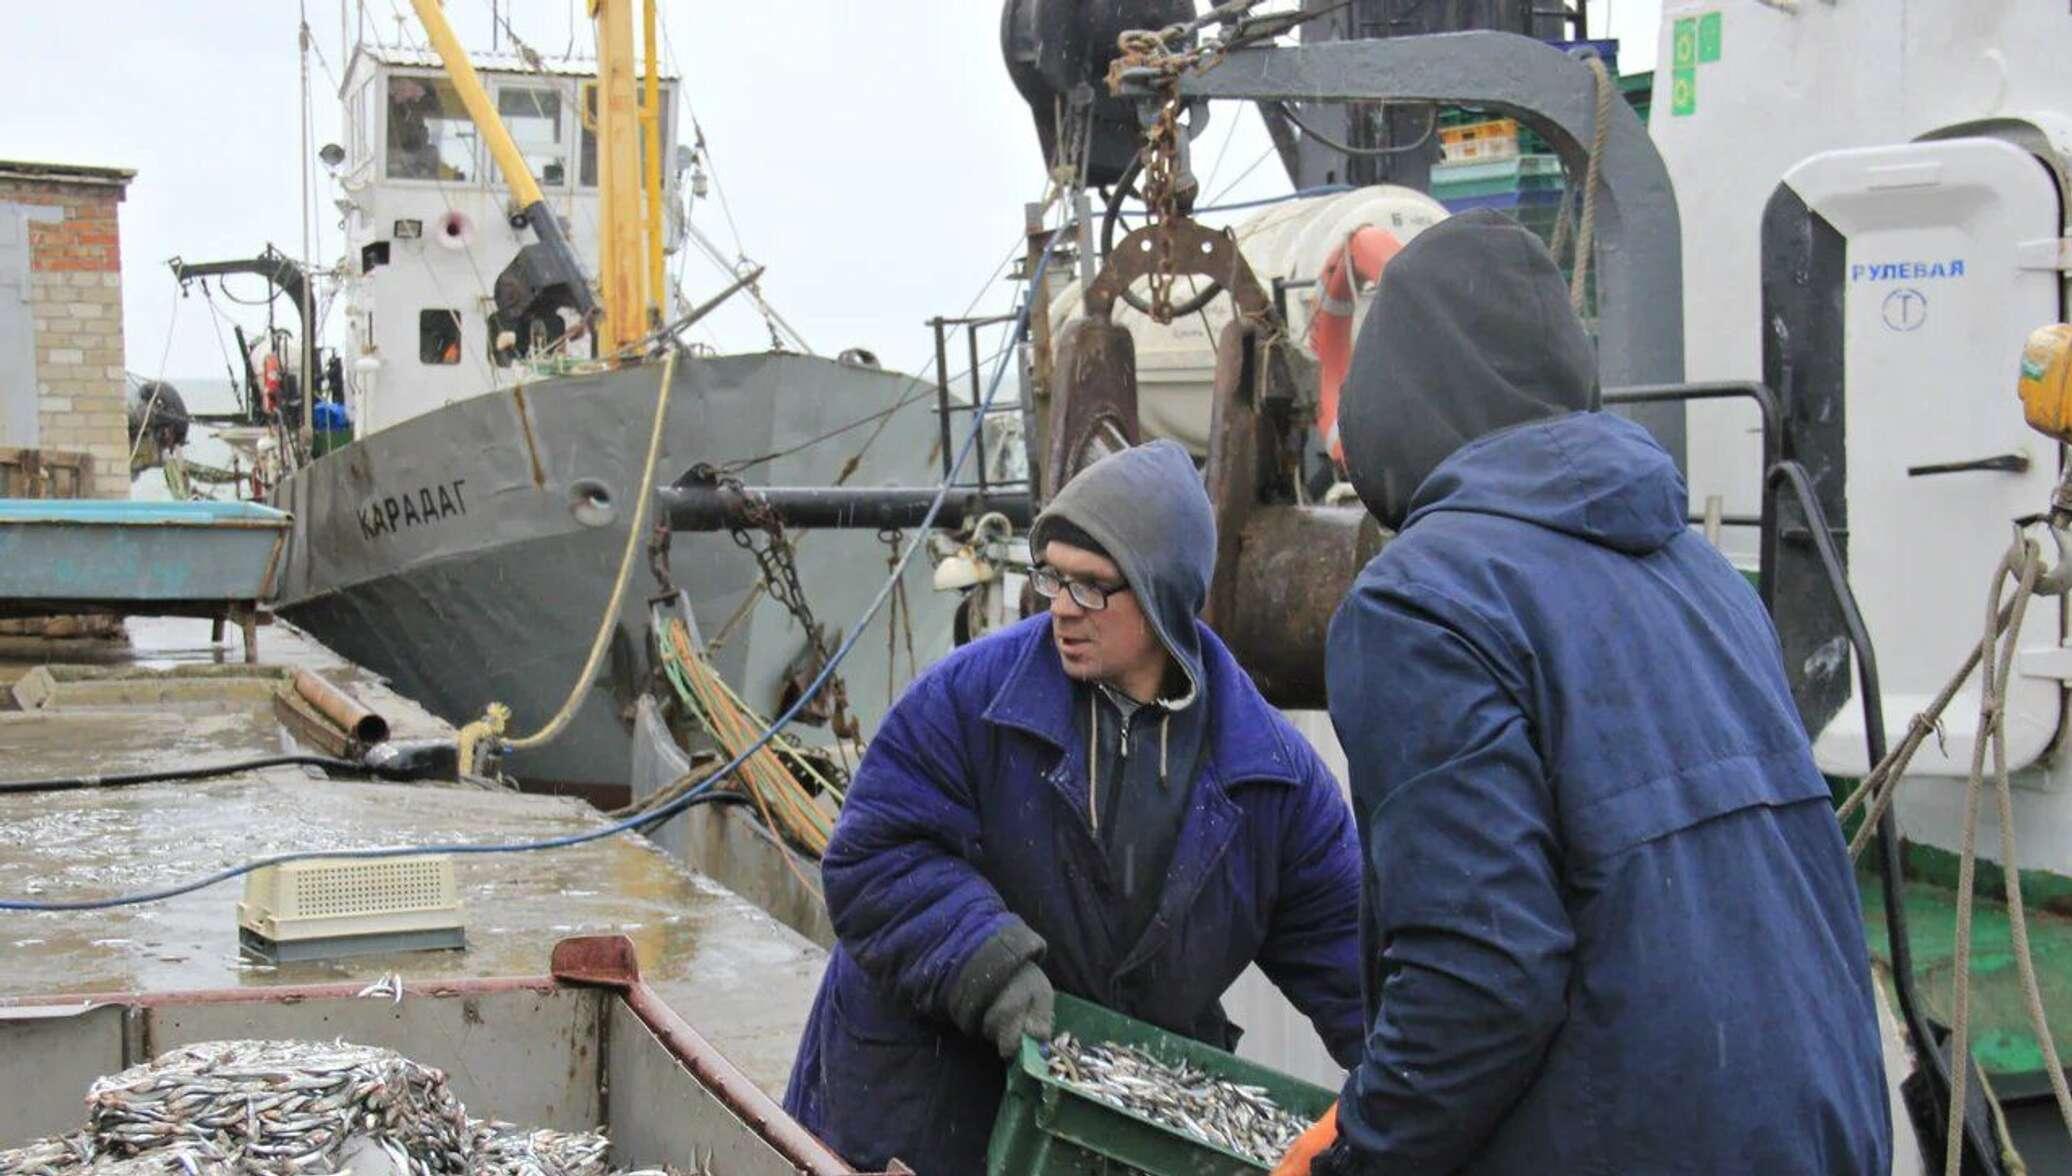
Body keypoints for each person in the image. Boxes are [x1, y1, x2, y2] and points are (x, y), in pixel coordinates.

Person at [1277, 209, 1891, 1174]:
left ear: (1395, 399)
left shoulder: (1417, 600)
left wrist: (1354, 1157)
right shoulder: (1700, 573)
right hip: (1819, 1129)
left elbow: (1481, 975)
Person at [784, 439, 1367, 1174]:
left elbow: (1355, 965)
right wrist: (985, 962)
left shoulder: (1276, 783)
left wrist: (1411, 1101)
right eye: (1053, 577)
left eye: (1090, 586)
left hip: (1090, 1143)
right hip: (920, 1115)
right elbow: (873, 859)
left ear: (1162, 596)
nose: (1061, 607)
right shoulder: (966, 701)